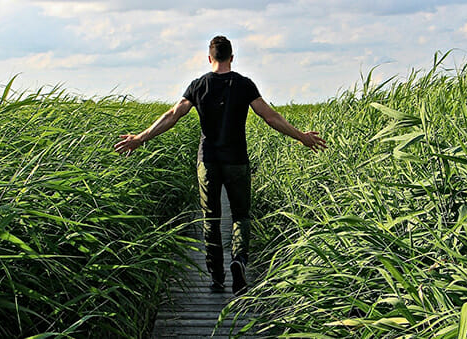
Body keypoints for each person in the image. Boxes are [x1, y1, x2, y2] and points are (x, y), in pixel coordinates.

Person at [114, 36, 326, 295]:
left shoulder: (199, 85)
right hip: (237, 160)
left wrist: (140, 138)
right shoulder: (244, 85)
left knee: (211, 219)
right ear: (232, 57)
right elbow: (270, 117)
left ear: (209, 58)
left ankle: (216, 278)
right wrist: (302, 137)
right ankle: (239, 260)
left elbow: (172, 115)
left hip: (208, 161)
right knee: (240, 216)